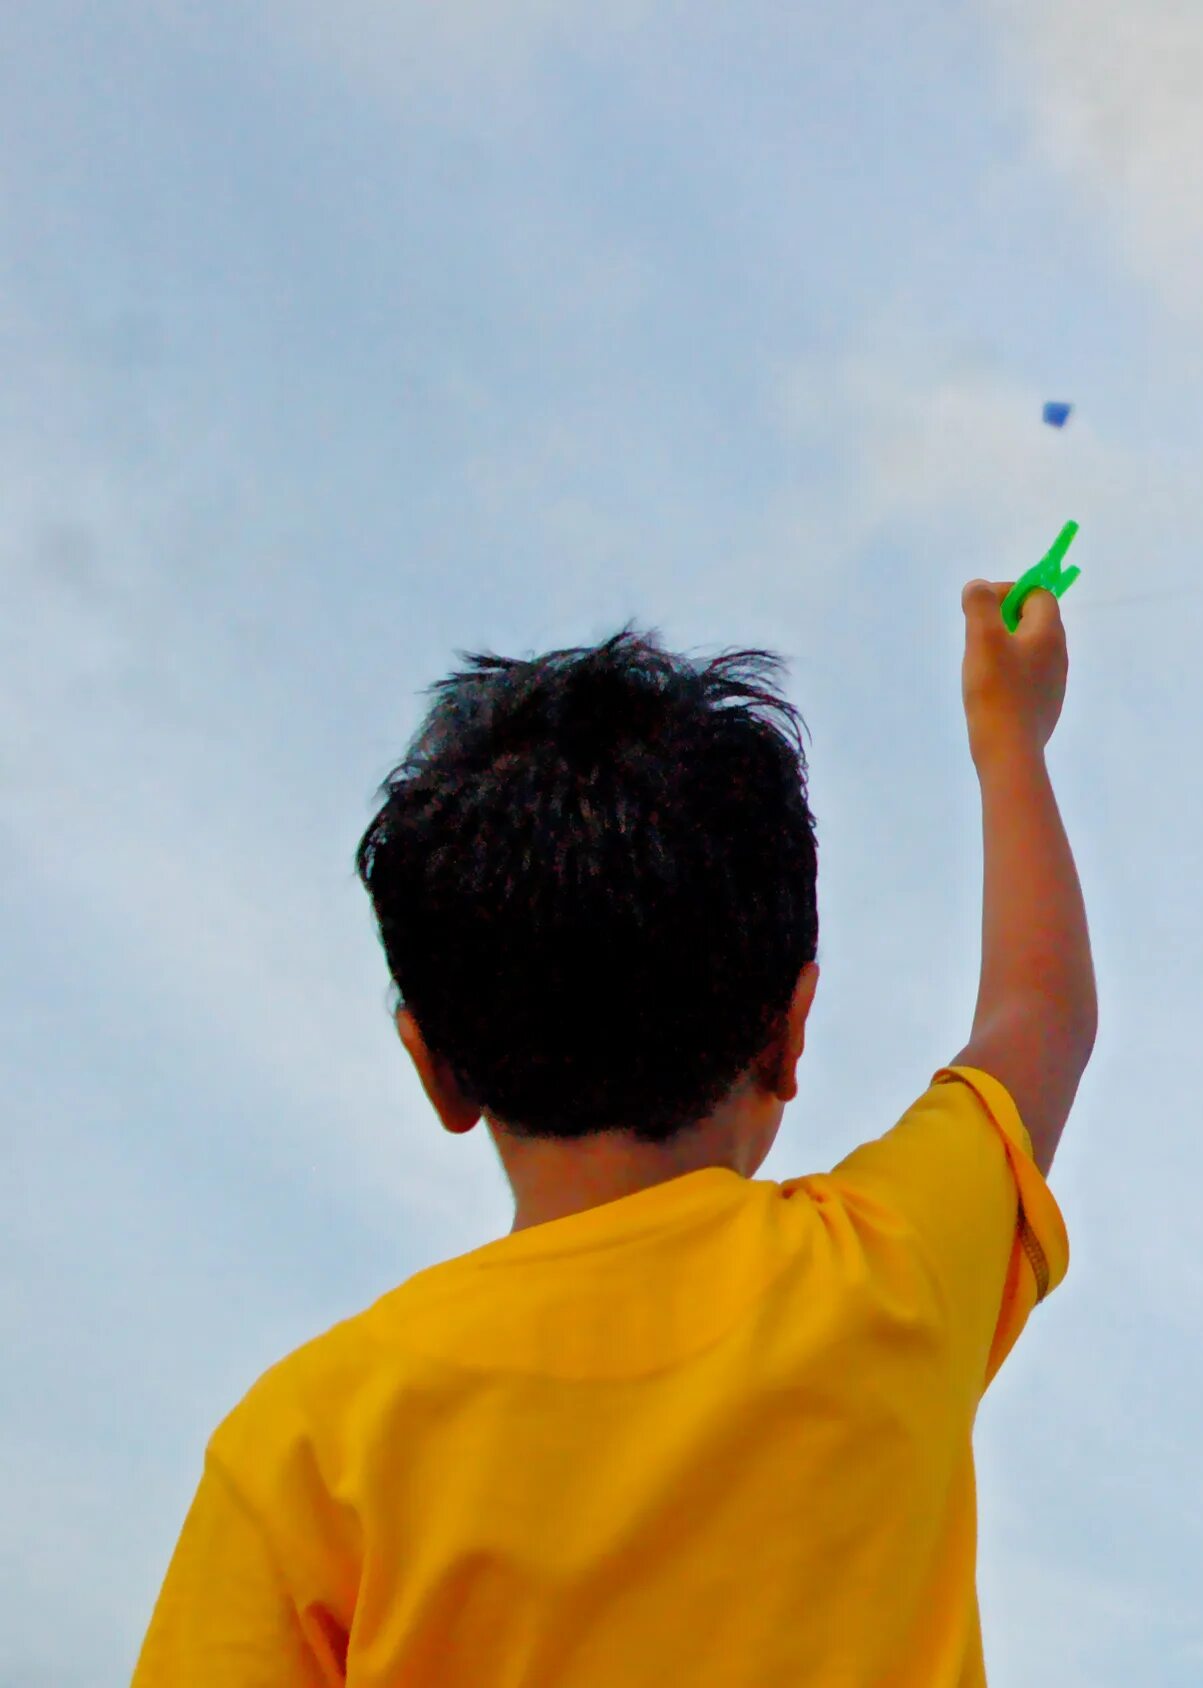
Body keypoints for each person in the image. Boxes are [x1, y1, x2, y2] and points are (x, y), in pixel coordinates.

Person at [130, 578, 1094, 1686]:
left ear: (436, 1067)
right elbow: (1041, 1015)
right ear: (789, 1031)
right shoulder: (886, 1268)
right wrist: (1010, 734)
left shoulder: (307, 1443)